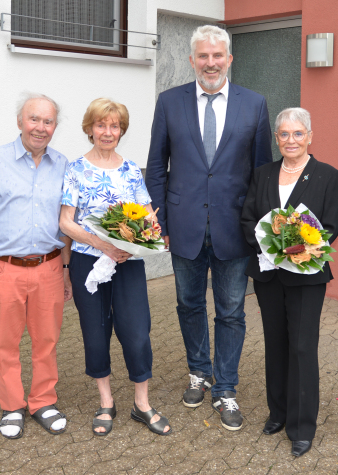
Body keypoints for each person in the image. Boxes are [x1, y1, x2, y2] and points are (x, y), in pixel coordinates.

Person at [145, 25, 272, 431]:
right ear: (192, 60)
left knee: (232, 310)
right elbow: (156, 167)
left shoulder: (254, 104)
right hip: (183, 226)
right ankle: (199, 372)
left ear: (229, 59)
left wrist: (258, 229)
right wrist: (159, 221)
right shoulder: (169, 102)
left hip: (234, 229)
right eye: (203, 56)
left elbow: (261, 173)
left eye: (218, 55)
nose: (211, 62)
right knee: (189, 304)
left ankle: (227, 387)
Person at [0, 93, 72, 439]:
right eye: (34, 119)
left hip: (49, 268)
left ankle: (43, 401)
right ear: (20, 122)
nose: (40, 127)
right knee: (5, 342)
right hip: (2, 268)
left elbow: (67, 224)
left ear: (54, 127)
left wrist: (65, 271)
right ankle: (12, 406)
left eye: (48, 121)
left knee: (46, 340)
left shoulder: (63, 165)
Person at [59, 98, 171, 437]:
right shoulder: (75, 169)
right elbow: (66, 222)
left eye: (114, 126)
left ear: (121, 130)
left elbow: (149, 217)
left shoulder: (131, 170)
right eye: (101, 125)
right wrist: (104, 244)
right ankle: (106, 402)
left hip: (127, 264)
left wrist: (139, 242)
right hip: (87, 262)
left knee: (137, 334)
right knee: (96, 334)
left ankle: (142, 404)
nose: (108, 132)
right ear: (89, 129)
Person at [241, 107, 338, 457]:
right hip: (269, 275)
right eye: (283, 134)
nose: (291, 140)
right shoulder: (263, 174)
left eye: (298, 133)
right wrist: (270, 249)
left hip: (306, 277)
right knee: (276, 343)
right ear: (276, 138)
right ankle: (278, 413)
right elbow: (248, 219)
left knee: (301, 347)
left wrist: (294, 251)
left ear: (310, 136)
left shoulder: (328, 175)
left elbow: (329, 226)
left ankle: (302, 426)